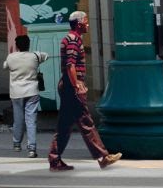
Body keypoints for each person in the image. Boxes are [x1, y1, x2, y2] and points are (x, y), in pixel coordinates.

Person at [51, 12, 120, 171]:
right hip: (71, 86)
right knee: (86, 121)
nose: (88, 24)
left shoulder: (71, 38)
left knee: (64, 125)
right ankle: (103, 156)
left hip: (68, 85)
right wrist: (77, 86)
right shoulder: (73, 40)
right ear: (79, 23)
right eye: (86, 21)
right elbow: (70, 65)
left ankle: (55, 159)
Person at [4, 33, 49, 157]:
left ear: (17, 46)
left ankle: (17, 143)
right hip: (32, 92)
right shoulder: (35, 56)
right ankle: (32, 148)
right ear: (28, 45)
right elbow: (46, 56)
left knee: (18, 119)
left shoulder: (11, 57)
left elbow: (5, 66)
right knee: (31, 120)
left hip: (16, 92)